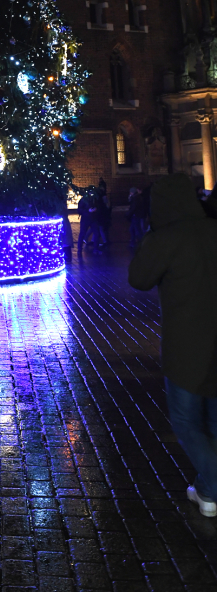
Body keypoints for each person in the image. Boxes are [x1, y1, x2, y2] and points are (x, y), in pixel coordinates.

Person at [129, 173, 217, 517]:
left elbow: (138, 278)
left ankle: (212, 483)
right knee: (213, 418)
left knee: (184, 418)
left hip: (187, 344)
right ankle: (208, 490)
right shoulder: (212, 228)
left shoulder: (165, 237)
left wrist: (149, 240)